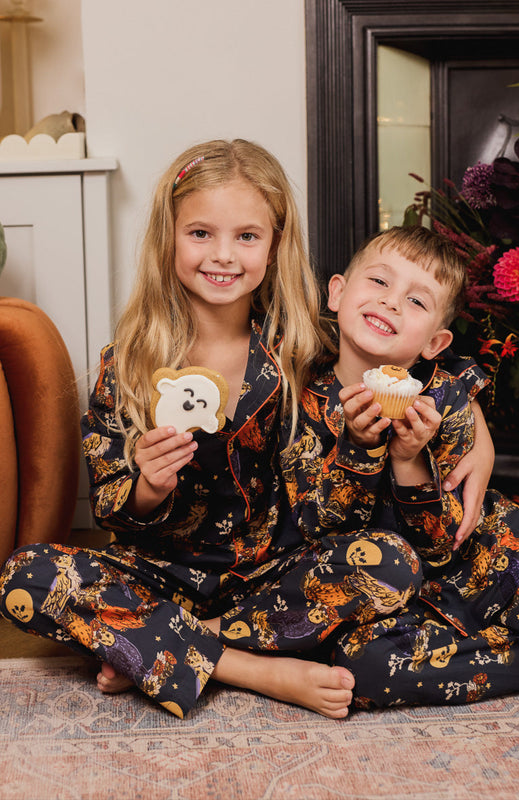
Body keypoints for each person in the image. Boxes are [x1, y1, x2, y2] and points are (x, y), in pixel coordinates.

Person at [0, 142, 491, 721]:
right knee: (23, 576)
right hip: (161, 574)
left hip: (278, 573)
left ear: (275, 245)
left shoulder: (308, 346)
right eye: (201, 233)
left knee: (390, 562)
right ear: (170, 237)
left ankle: (163, 648)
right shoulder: (126, 364)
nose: (224, 256)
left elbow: (415, 361)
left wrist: (477, 433)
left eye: (247, 237)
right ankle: (252, 668)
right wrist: (149, 487)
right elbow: (111, 510)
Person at [280, 224, 519, 710]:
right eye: (380, 283)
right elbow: (321, 531)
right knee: (362, 670)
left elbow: (443, 543)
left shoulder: (445, 399)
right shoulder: (298, 398)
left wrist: (409, 461)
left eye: (417, 301)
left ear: (434, 342)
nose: (391, 303)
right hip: (390, 595)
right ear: (338, 293)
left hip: (478, 559)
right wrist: (362, 448)